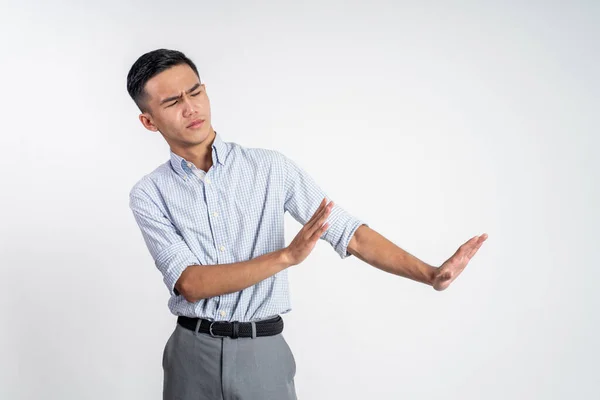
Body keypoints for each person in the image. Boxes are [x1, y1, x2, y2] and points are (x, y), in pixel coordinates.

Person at [126, 48, 488, 400]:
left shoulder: (270, 168)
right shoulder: (150, 193)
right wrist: (286, 257)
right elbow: (190, 283)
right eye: (173, 102)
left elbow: (350, 233)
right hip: (191, 354)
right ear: (149, 121)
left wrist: (429, 273)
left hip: (262, 352)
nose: (192, 108)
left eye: (196, 92)